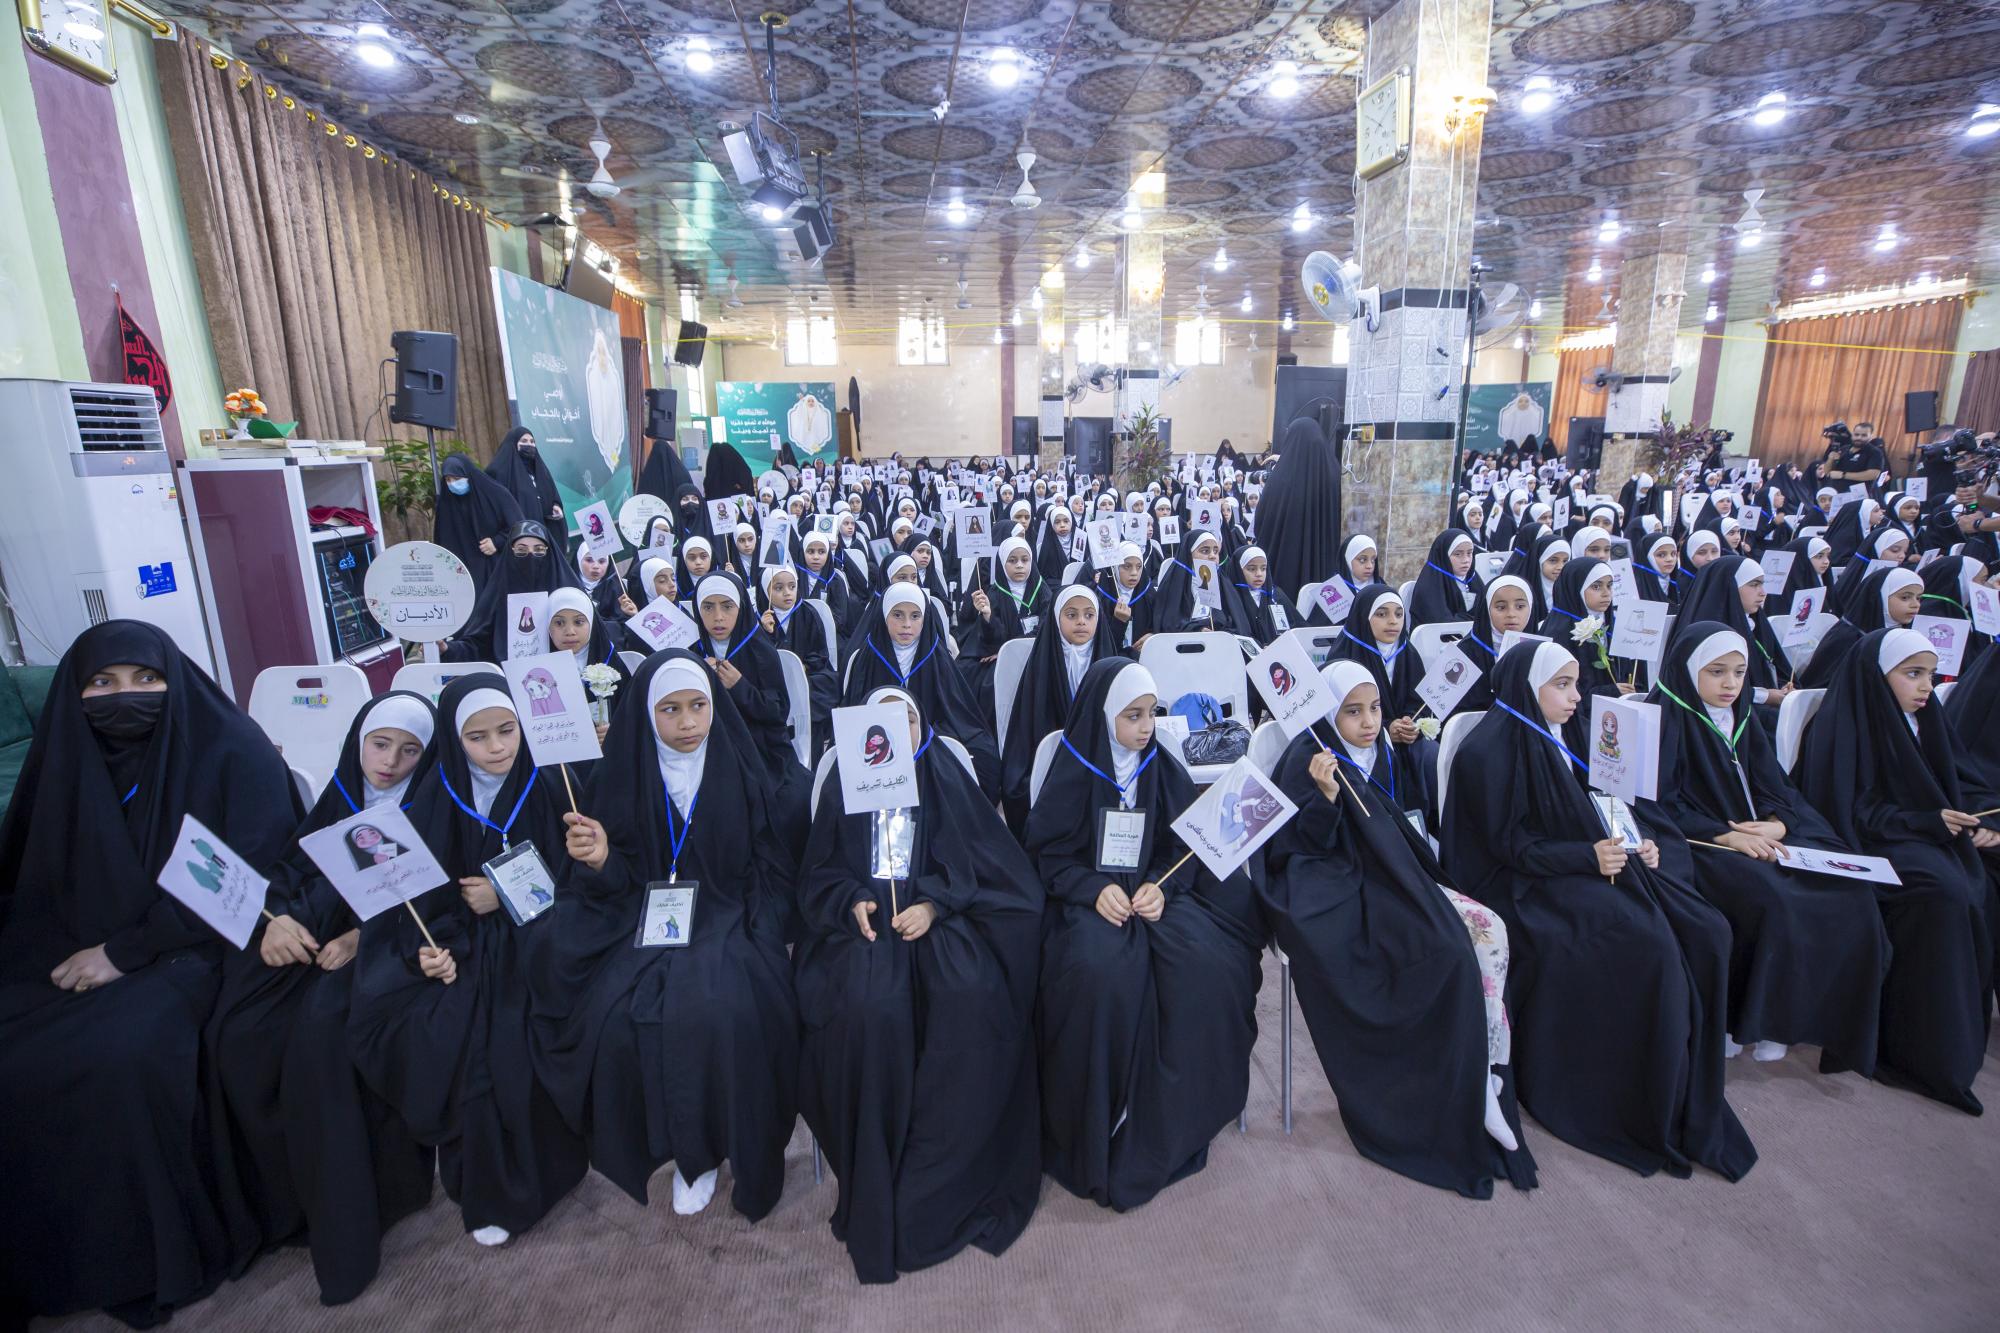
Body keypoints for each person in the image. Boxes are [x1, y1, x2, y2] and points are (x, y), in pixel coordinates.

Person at [0, 621, 299, 1325]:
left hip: (199, 945)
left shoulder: (231, 751)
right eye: (101, 683)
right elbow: (31, 880)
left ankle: (144, 1257)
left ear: (175, 679)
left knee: (122, 1057)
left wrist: (124, 953)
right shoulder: (68, 759)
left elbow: (248, 878)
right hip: (78, 944)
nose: (124, 695)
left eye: (145, 679)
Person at [1440, 641, 1757, 1181]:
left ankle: (1683, 1089)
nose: (1575, 697)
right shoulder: (1486, 753)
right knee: (1645, 944)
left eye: (1576, 684)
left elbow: (1611, 801)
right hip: (1524, 883)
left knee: (1705, 928)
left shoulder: (1577, 732)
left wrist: (1639, 839)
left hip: (1592, 863)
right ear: (1527, 688)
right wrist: (1584, 857)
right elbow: (1505, 846)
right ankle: (1629, 1099)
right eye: (1561, 685)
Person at [539, 653, 802, 1216]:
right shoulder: (623, 773)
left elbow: (767, 863)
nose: (688, 723)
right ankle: (672, 1147)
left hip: (728, 912)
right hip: (639, 914)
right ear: (645, 713)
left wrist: (755, 919)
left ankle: (705, 1150)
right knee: (617, 1018)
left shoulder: (738, 765)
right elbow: (614, 881)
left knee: (720, 1009)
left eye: (699, 706)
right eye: (671, 709)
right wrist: (602, 858)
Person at [795, 687, 1043, 1282]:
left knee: (969, 996)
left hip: (939, 924)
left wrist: (934, 903)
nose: (895, 729)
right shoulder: (844, 784)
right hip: (864, 933)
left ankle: (949, 1168)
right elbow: (819, 873)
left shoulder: (942, 773)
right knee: (869, 1008)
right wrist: (851, 901)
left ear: (921, 723)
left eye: (905, 717)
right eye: (881, 719)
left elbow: (979, 861)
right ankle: (875, 1166)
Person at [1264, 660, 1535, 1196]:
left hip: (1398, 877)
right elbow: (1295, 851)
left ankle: (1485, 1070)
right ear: (1329, 714)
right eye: (1353, 712)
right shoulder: (1307, 757)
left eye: (1374, 709)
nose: (1369, 722)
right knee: (1447, 952)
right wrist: (1323, 800)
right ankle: (1453, 1082)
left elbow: (1406, 822)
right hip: (1343, 889)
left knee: (1490, 930)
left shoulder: (1384, 748)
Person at [206, 694, 439, 1306]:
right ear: (358, 742)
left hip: (390, 951)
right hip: (313, 937)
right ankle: (279, 1208)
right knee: (240, 1031)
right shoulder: (338, 795)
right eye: (379, 745)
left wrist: (362, 939)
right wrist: (277, 921)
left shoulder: (432, 804)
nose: (390, 763)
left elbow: (431, 903)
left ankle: (351, 1220)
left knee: (321, 1038)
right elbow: (292, 872)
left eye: (410, 751)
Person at [348, 676, 588, 1247]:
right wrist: (431, 950)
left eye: (507, 730)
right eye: (477, 738)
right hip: (466, 944)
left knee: (517, 1032)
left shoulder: (552, 781)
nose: (497, 747)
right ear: (455, 743)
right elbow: (419, 899)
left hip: (546, 938)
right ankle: (488, 1190)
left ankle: (550, 1171)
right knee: (457, 1035)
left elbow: (583, 881)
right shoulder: (437, 794)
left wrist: (505, 897)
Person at [1026, 661, 1262, 1210]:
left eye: (1152, 714)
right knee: (1099, 975)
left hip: (1154, 897)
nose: (1146, 727)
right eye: (1132, 716)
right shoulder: (1076, 764)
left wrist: (1161, 885)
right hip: (1089, 902)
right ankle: (1105, 1117)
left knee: (1208, 967)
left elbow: (1182, 846)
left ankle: (1176, 1114)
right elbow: (1048, 854)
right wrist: (1091, 888)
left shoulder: (1160, 764)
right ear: (1104, 715)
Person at [1646, 625, 1889, 1073]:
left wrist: (1780, 823)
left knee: (1850, 893)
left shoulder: (1742, 717)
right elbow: (1655, 803)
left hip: (1762, 833)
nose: (1730, 684)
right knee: (1773, 898)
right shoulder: (1662, 719)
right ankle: (1750, 1022)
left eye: (1740, 672)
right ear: (1687, 670)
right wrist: (1724, 835)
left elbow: (1775, 785)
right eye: (1716, 672)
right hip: (1697, 842)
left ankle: (1803, 1020)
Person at [1795, 627, 1999, 1113]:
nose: (1926, 687)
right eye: (1912, 674)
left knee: (1982, 879)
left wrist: (1985, 822)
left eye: (1930, 674)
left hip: (1927, 835)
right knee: (1946, 892)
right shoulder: (1844, 721)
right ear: (1878, 676)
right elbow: (1847, 809)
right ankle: (1917, 1052)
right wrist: (1925, 822)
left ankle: (1955, 1037)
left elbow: (1962, 780)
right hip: (1874, 842)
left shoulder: (1927, 719)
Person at [843, 585, 1001, 795]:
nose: (907, 624)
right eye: (897, 615)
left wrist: (919, 736)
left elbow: (954, 712)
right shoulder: (867, 658)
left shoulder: (937, 657)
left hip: (931, 736)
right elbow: (855, 713)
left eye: (915, 616)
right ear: (883, 615)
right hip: (879, 744)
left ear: (925, 618)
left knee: (982, 760)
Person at [444, 521, 583, 663]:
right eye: (521, 551)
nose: (530, 557)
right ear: (510, 552)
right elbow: (477, 644)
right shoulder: (498, 594)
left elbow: (587, 637)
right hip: (505, 673)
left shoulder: (568, 593)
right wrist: (447, 649)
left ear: (550, 552)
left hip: (562, 669)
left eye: (539, 550)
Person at [433, 453, 524, 592]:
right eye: (448, 479)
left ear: (469, 475)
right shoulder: (446, 502)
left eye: (457, 478)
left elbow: (519, 526)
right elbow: (440, 537)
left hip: (493, 567)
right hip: (458, 573)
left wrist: (497, 542)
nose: (452, 484)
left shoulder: (495, 494)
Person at [487, 426, 564, 527]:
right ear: (513, 444)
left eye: (532, 442)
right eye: (524, 441)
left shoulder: (540, 471)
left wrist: (555, 505)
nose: (529, 444)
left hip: (545, 530)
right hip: (519, 531)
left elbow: (552, 493)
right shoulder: (499, 472)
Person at [1407, 530, 1482, 628]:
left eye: (1469, 553)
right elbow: (1443, 625)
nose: (1466, 560)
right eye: (1458, 554)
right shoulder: (1429, 586)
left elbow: (1488, 612)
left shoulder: (1473, 579)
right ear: (1444, 556)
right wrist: (1474, 619)